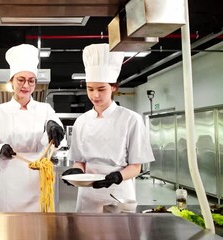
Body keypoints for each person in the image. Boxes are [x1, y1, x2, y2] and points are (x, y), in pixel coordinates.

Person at [62, 44, 155, 213]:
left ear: (113, 87)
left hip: (118, 193)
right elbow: (80, 160)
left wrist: (117, 177)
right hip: (87, 195)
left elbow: (136, 166)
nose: (95, 95)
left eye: (101, 89)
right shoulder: (81, 121)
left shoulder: (131, 119)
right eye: (90, 89)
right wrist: (77, 171)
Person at [0, 44, 64, 212]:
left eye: (31, 80)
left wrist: (53, 127)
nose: (26, 85)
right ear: (11, 81)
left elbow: (57, 136)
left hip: (39, 181)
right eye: (21, 79)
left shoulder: (44, 109)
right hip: (10, 180)